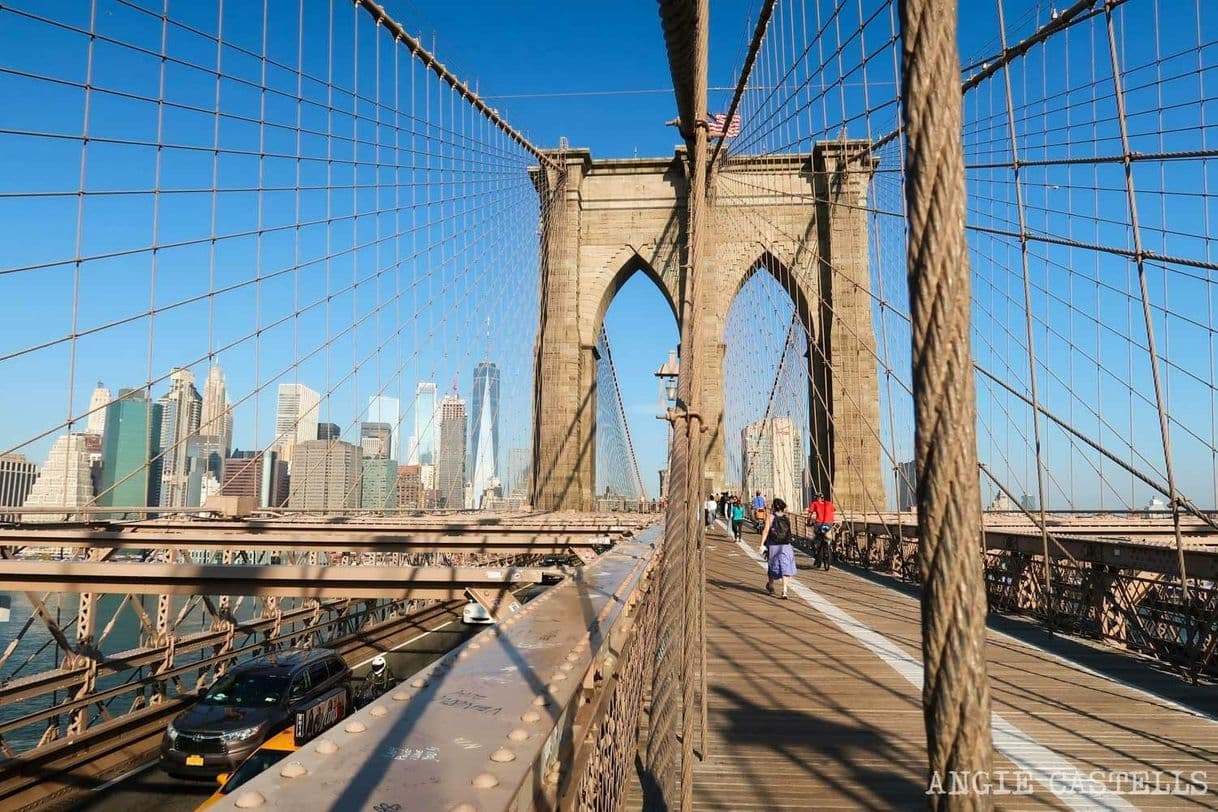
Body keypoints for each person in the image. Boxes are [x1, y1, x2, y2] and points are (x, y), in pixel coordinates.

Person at [758, 497, 795, 598]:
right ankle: (784, 590)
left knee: (772, 565)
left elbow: (765, 531)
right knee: (785, 567)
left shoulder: (770, 517)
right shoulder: (787, 518)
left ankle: (771, 585)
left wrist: (761, 544)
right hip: (786, 546)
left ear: (773, 507)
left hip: (773, 545)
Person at [807, 493, 836, 570]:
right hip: (829, 524)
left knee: (815, 541)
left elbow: (810, 514)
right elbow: (833, 510)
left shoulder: (814, 503)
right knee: (828, 537)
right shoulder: (829, 503)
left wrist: (808, 522)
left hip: (819, 524)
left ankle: (817, 555)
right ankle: (829, 546)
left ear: (816, 498)